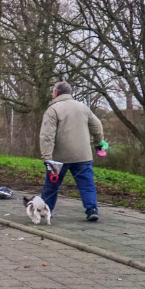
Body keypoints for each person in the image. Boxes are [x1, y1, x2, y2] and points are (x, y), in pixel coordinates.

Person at [39, 80, 105, 222]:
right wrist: (98, 143)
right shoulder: (83, 108)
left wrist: (46, 157)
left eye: (53, 92)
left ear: (56, 93)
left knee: (52, 185)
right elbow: (97, 126)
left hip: (59, 157)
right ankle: (92, 209)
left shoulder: (53, 109)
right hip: (83, 155)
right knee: (87, 185)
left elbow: (47, 136)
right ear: (70, 93)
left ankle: (46, 210)